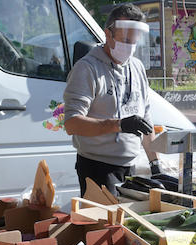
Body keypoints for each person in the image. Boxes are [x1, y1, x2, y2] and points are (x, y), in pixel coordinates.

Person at [63, 3, 161, 196]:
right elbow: (72, 123)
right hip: (98, 167)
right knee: (104, 224)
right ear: (108, 34)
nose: (131, 43)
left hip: (131, 167)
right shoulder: (87, 68)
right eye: (126, 36)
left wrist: (155, 164)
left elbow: (146, 120)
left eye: (135, 37)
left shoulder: (137, 67)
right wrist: (119, 125)